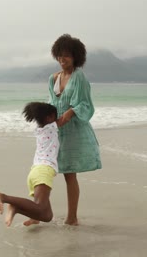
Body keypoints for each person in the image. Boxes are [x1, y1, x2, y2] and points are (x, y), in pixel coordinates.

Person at [48, 34, 102, 226]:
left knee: (70, 173)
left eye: (67, 56)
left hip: (74, 131)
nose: (63, 60)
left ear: (76, 57)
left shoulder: (79, 77)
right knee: (48, 170)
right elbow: (51, 104)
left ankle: (72, 217)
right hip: (58, 130)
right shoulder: (53, 78)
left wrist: (70, 112)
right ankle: (41, 212)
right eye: (60, 56)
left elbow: (85, 104)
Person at [0, 102, 59, 227]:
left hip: (35, 173)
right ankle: (4, 197)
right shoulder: (51, 127)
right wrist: (74, 108)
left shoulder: (39, 130)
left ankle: (20, 211)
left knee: (46, 216)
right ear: (50, 117)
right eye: (55, 116)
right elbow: (66, 118)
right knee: (40, 207)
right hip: (43, 172)